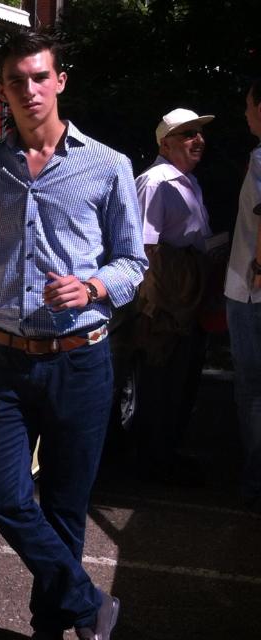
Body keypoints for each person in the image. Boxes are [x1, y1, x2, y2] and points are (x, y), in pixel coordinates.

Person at [0, 31, 146, 640]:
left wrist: (92, 287)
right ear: (2, 91)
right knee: (5, 499)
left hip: (81, 363)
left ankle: (49, 629)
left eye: (39, 77)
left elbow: (134, 264)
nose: (29, 90)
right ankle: (90, 603)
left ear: (59, 81)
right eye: (16, 81)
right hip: (7, 361)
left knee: (65, 511)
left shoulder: (107, 165)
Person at [132, 107, 217, 485]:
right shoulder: (155, 182)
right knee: (159, 380)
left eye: (199, 133)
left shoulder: (187, 180)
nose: (198, 139)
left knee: (180, 379)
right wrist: (155, 307)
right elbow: (144, 250)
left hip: (186, 294)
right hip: (166, 298)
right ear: (165, 144)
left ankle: (166, 456)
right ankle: (152, 464)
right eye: (188, 134)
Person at [225, 78, 261, 514]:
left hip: (251, 290)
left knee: (252, 389)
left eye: (249, 105)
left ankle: (254, 482)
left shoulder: (260, 158)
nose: (245, 113)